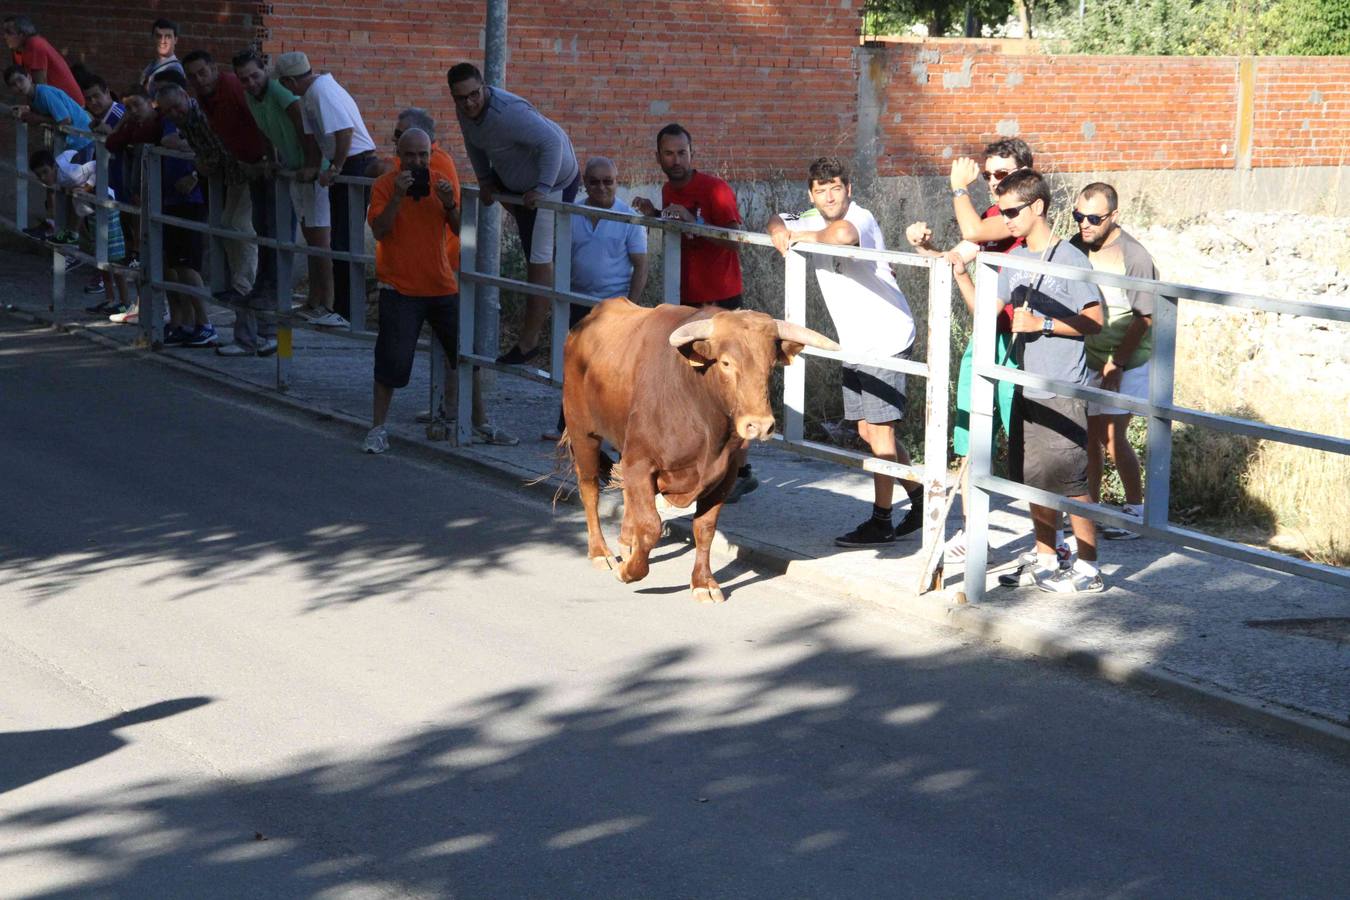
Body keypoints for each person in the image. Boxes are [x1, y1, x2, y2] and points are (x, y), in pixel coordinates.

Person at [767, 157, 923, 546]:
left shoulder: (861, 216)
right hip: (855, 340)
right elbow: (777, 218)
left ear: (848, 189)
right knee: (867, 430)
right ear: (811, 194)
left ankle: (881, 520)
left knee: (882, 434)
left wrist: (800, 237)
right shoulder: (808, 215)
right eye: (821, 190)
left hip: (885, 337)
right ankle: (920, 498)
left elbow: (841, 237)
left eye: (836, 187)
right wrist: (780, 232)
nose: (829, 196)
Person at [907, 138, 1047, 564]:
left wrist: (958, 189)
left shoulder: (1015, 218)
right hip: (986, 335)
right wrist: (925, 248)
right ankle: (974, 533)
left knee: (1030, 450)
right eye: (986, 175)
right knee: (971, 439)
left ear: (1025, 177)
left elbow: (971, 232)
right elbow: (959, 253)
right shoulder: (990, 215)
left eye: (1000, 174)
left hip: (1024, 342)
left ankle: (1050, 542)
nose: (990, 181)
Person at [988, 170, 1106, 593]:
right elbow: (988, 309)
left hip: (1061, 387)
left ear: (1037, 207)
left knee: (1071, 484)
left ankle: (1089, 567)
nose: (1006, 220)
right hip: (1026, 385)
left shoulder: (1071, 258)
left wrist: (1047, 324)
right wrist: (959, 272)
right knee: (1034, 479)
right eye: (1002, 213)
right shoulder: (1015, 260)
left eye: (1013, 212)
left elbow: (1096, 320)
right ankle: (1045, 555)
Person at [632, 123, 756, 501]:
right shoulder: (670, 188)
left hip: (720, 301)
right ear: (659, 157)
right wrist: (657, 213)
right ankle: (700, 463)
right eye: (668, 154)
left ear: (692, 152)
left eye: (682, 153)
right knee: (692, 387)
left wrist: (695, 222)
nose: (676, 160)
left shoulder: (715, 189)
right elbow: (679, 228)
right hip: (686, 302)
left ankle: (742, 470)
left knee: (730, 386)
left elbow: (736, 239)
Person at [447, 62, 580, 366]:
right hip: (517, 181)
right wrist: (484, 180)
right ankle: (547, 316)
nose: (469, 102)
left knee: (539, 257)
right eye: (461, 98)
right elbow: (473, 142)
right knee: (529, 244)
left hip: (554, 181)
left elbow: (552, 142)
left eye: (474, 94)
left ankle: (530, 342)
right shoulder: (466, 111)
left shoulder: (508, 113)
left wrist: (543, 187)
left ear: (484, 86)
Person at [362, 129, 467, 454]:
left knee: (465, 355)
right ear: (399, 154)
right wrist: (396, 196)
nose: (418, 161)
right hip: (400, 287)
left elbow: (462, 229)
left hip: (440, 285)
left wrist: (450, 204)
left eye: (423, 155)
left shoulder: (440, 180)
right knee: (391, 362)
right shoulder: (383, 185)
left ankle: (473, 422)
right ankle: (377, 429)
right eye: (411, 155)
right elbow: (380, 230)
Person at [538, 155, 649, 442]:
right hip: (574, 300)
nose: (601, 187)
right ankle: (566, 427)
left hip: (613, 308)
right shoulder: (570, 213)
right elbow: (557, 256)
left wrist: (631, 308)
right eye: (595, 182)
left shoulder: (629, 217)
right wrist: (555, 296)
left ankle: (611, 431)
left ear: (617, 182)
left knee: (611, 373)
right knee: (573, 366)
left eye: (608, 182)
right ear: (585, 183)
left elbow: (641, 265)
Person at [1070, 182, 1156, 540]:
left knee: (1112, 435)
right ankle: (1091, 507)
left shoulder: (1134, 256)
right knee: (1088, 435)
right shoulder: (1076, 246)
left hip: (1128, 359)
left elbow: (1146, 316)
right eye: (1078, 216)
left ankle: (1136, 510)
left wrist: (1117, 363)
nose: (1084, 224)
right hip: (1090, 357)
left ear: (1114, 216)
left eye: (1093, 218)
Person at [183, 49, 278, 356]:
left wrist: (268, 159)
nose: (199, 79)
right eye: (193, 76)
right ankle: (256, 333)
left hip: (263, 170)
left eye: (203, 72)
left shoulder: (233, 88)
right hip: (245, 169)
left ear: (214, 68)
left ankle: (262, 330)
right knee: (230, 229)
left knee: (249, 234)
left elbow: (263, 121)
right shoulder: (206, 100)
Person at [232, 49, 336, 326]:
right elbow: (263, 128)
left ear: (264, 69)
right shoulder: (251, 96)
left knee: (319, 239)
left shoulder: (279, 89)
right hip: (294, 170)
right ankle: (314, 300)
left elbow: (305, 125)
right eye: (244, 79)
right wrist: (270, 158)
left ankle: (326, 303)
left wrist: (313, 164)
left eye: (254, 75)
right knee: (309, 235)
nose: (251, 82)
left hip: (312, 170)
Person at [110, 84, 217, 347]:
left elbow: (195, 145)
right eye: (128, 107)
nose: (133, 111)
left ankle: (205, 323)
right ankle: (180, 321)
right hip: (165, 199)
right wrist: (126, 120)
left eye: (138, 105)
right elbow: (113, 142)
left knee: (187, 266)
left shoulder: (175, 120)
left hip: (188, 200)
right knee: (169, 267)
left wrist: (193, 172)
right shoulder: (155, 123)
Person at [277, 51, 376, 328]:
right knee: (341, 242)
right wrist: (315, 166)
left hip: (355, 162)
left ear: (288, 82)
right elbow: (313, 138)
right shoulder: (312, 93)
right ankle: (341, 309)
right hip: (345, 161)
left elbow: (344, 132)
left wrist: (336, 167)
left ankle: (346, 312)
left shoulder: (321, 92)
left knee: (346, 242)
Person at [28, 147, 134, 315]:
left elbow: (96, 166)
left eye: (45, 172)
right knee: (101, 257)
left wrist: (86, 187)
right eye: (39, 175)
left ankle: (126, 303)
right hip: (92, 210)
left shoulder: (70, 175)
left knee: (114, 259)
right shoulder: (58, 174)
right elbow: (66, 155)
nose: (43, 178)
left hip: (105, 204)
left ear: (53, 168)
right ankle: (110, 300)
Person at [5, 64, 93, 157]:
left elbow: (66, 120)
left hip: (84, 138)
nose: (18, 85)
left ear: (29, 78)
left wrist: (39, 119)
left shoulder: (44, 93)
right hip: (73, 139)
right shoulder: (31, 98)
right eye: (13, 84)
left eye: (20, 80)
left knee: (81, 171)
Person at [2, 16, 83, 106]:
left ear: (22, 34)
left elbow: (41, 86)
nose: (4, 37)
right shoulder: (18, 51)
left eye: (9, 32)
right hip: (55, 103)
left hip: (71, 106)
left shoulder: (35, 44)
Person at [142, 18, 185, 90]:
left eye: (168, 37)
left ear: (175, 40)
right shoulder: (152, 65)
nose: (163, 41)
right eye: (158, 36)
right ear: (152, 38)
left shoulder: (174, 69)